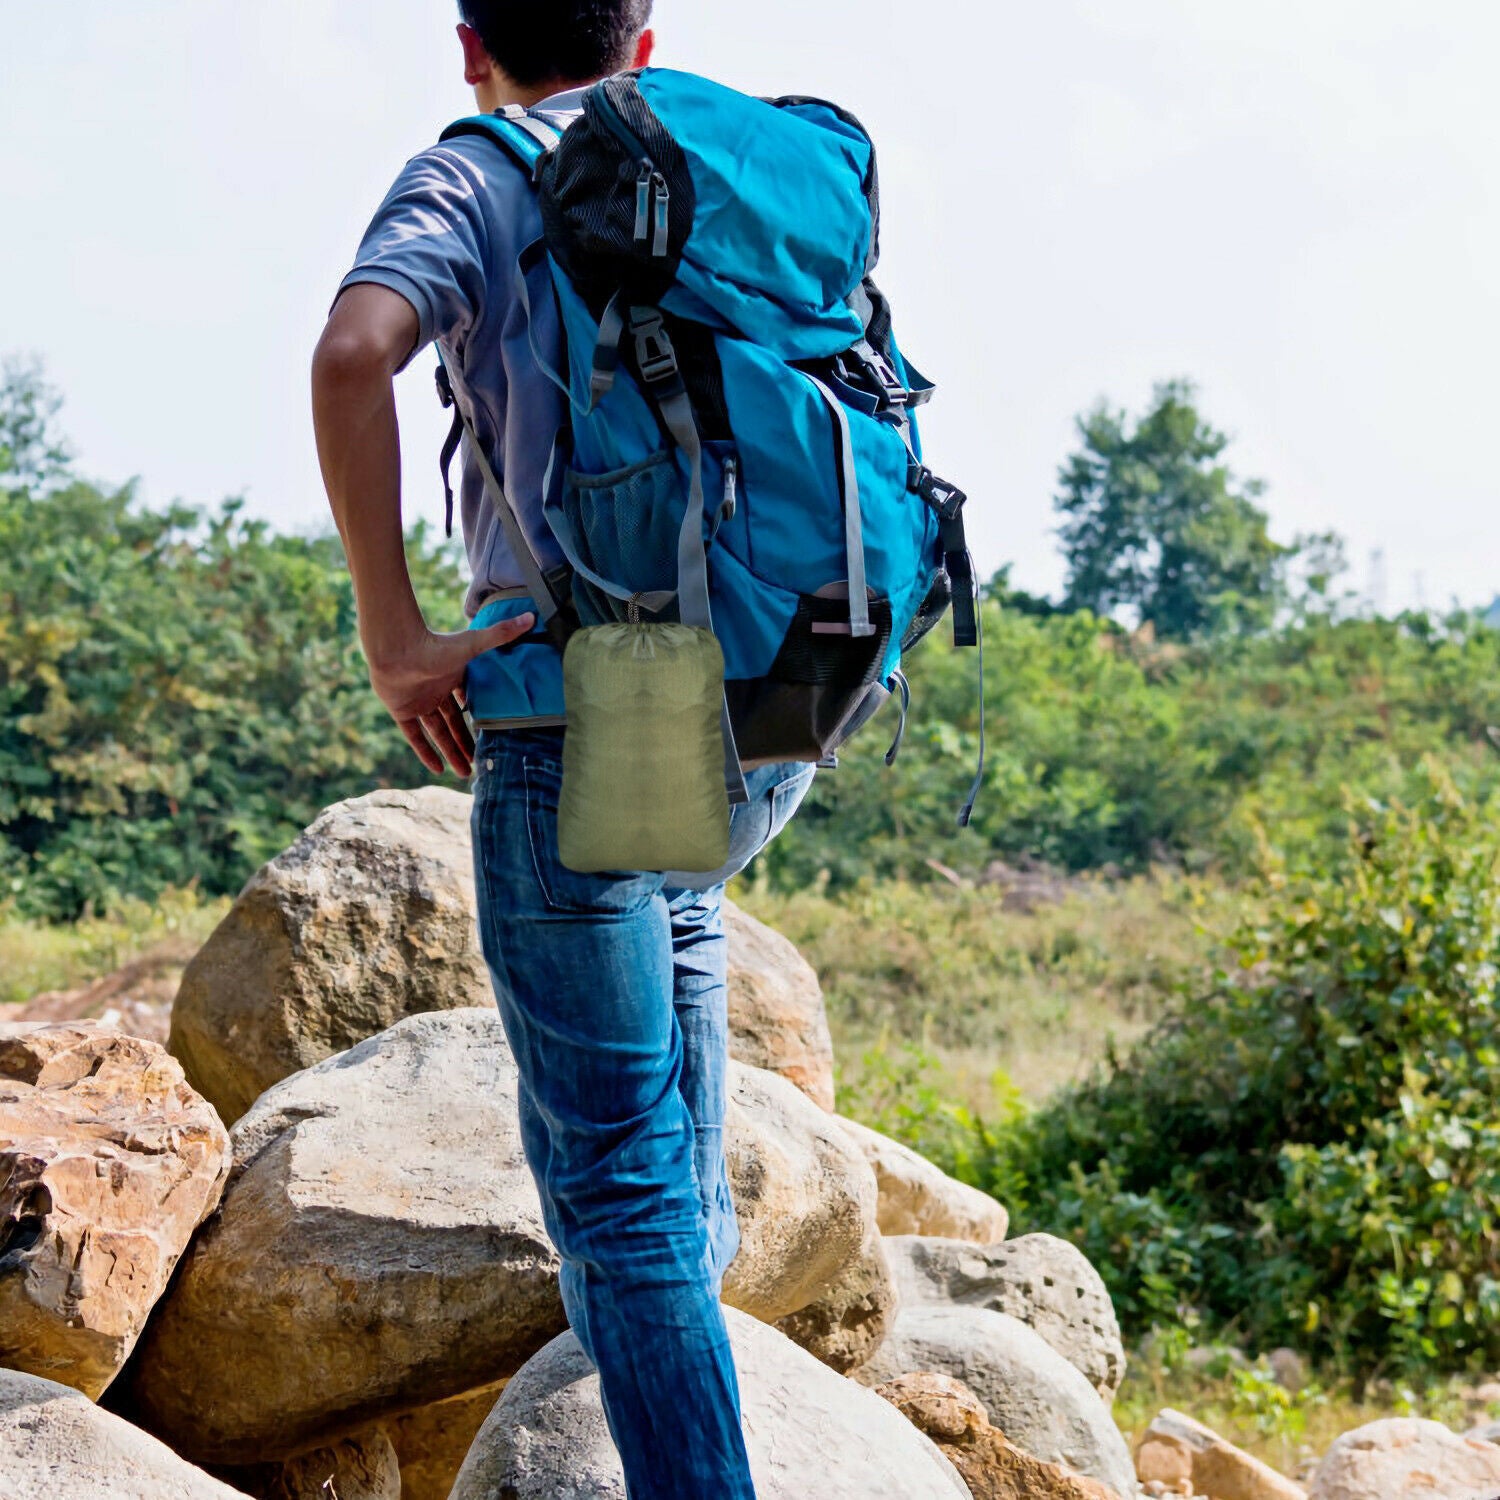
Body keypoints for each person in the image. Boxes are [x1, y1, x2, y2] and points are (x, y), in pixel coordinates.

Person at [310, 5, 814, 1496]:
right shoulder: (718, 157)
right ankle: (679, 1344)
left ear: (470, 41)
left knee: (617, 1199)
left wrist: (393, 636)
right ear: (643, 42)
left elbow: (353, 354)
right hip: (760, 689)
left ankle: (683, 1430)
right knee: (679, 926)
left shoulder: (479, 168)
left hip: (575, 708)